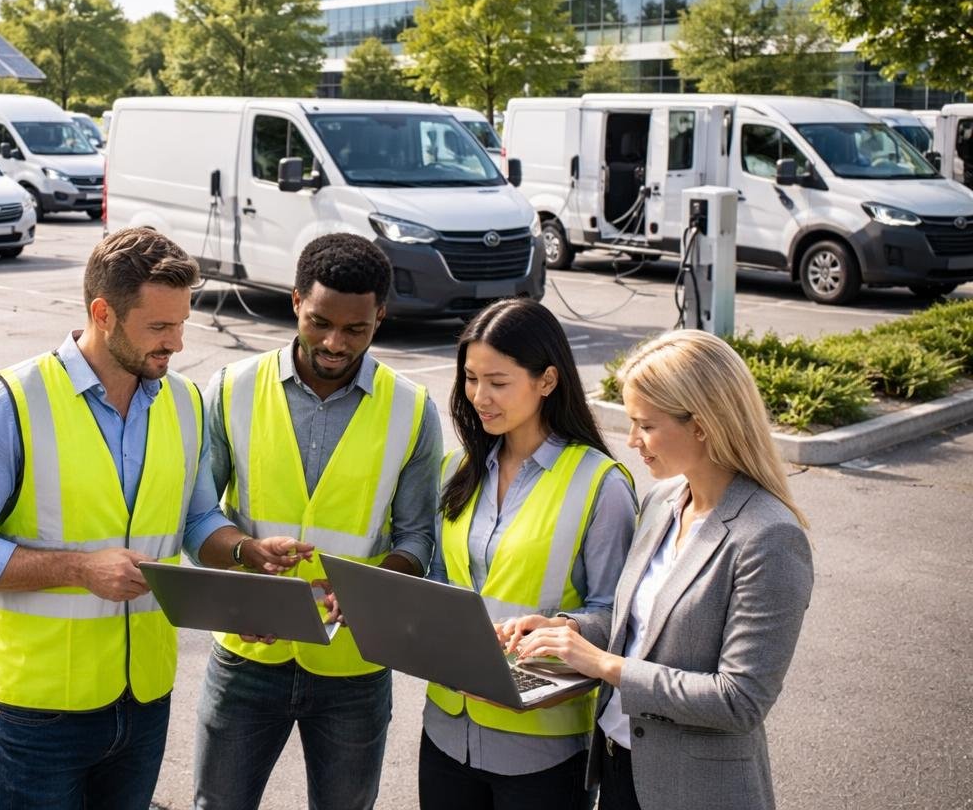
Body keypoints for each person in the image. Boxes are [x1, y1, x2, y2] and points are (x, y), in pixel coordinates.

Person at [0, 227, 234, 810]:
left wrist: (242, 553)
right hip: (40, 711)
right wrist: (79, 568)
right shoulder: (10, 401)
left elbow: (195, 520)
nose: (179, 343)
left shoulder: (186, 402)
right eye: (160, 328)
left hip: (144, 699)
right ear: (104, 314)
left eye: (183, 323)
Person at [510, 330, 814, 810]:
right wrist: (565, 630)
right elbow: (639, 630)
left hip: (695, 792)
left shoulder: (768, 536)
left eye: (645, 425)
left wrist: (604, 665)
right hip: (618, 768)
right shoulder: (662, 501)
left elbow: (739, 700)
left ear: (703, 424)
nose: (632, 441)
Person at [192, 232, 443, 810]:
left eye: (356, 329)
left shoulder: (412, 409)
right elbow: (199, 514)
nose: (335, 341)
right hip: (248, 655)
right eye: (320, 321)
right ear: (296, 301)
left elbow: (417, 538)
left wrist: (369, 589)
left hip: (353, 667)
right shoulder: (231, 389)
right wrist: (244, 552)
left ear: (381, 316)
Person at [421, 298, 637, 810]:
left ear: (546, 381)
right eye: (471, 379)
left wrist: (560, 628)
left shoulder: (601, 485)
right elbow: (440, 583)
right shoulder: (458, 469)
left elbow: (619, 616)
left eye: (498, 382)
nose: (479, 396)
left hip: (542, 745)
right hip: (447, 727)